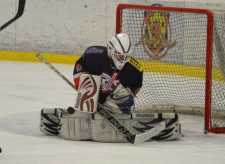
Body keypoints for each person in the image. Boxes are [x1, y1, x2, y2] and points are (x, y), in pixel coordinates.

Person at [39, 33, 182, 143]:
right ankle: (85, 109)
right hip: (92, 98)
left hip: (113, 104)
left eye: (126, 56)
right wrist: (83, 88)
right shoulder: (94, 55)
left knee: (123, 94)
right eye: (119, 55)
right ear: (111, 50)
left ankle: (111, 111)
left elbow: (135, 87)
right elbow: (79, 67)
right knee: (89, 83)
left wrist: (126, 100)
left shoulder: (135, 69)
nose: (122, 60)